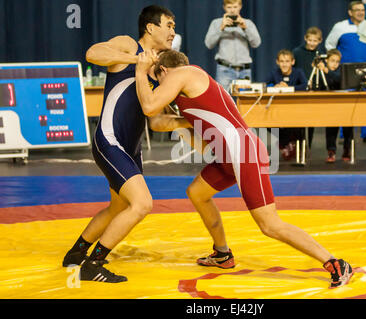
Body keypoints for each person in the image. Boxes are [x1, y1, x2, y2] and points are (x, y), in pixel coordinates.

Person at [135, 49, 354, 289]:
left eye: (158, 81)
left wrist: (140, 70)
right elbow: (156, 122)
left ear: (165, 70)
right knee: (197, 193)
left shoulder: (184, 73)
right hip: (229, 156)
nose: (160, 86)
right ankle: (222, 253)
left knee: (269, 225)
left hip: (243, 152)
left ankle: (335, 262)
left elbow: (149, 106)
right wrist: (178, 114)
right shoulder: (189, 93)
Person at [61, 5, 180, 283]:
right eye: (169, 25)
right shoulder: (129, 45)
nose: (174, 31)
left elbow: (156, 123)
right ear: (151, 27)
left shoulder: (159, 67)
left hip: (131, 149)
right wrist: (136, 59)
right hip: (109, 140)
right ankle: (93, 265)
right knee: (142, 203)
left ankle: (75, 254)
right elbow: (92, 53)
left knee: (118, 207)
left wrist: (187, 122)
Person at [325, 0, 366, 143]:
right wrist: (335, 62)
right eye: (357, 10)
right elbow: (329, 45)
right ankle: (345, 135)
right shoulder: (340, 27)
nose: (361, 12)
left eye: (363, 10)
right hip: (347, 71)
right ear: (350, 12)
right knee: (346, 102)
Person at [204, 0, 261, 91]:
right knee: (223, 100)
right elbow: (208, 44)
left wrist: (245, 28)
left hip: (244, 70)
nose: (232, 10)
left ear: (240, 7)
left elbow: (256, 43)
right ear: (224, 7)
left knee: (246, 103)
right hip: (225, 69)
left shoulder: (248, 23)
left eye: (235, 7)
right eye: (229, 7)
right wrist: (221, 28)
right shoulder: (216, 23)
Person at [265, 49, 307, 160]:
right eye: (282, 61)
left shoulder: (298, 72)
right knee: (266, 122)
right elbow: (263, 85)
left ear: (292, 62)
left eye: (287, 61)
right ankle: (285, 143)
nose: (284, 64)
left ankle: (287, 145)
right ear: (277, 62)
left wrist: (289, 88)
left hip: (296, 109)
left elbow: (305, 86)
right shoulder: (274, 73)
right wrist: (273, 87)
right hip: (278, 109)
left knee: (295, 125)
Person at [316, 49, 354, 163]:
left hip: (344, 103)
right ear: (326, 60)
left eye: (337, 61)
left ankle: (347, 149)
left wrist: (327, 70)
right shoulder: (321, 71)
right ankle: (331, 151)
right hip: (330, 104)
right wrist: (321, 70)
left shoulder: (341, 70)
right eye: (332, 61)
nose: (335, 64)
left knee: (348, 127)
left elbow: (340, 79)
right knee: (331, 129)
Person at [292, 27, 325, 152]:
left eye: (315, 41)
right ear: (305, 38)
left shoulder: (319, 55)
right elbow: (293, 70)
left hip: (314, 91)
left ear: (320, 41)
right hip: (300, 90)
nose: (312, 43)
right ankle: (298, 145)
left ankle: (308, 146)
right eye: (309, 40)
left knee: (311, 120)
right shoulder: (297, 52)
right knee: (298, 120)